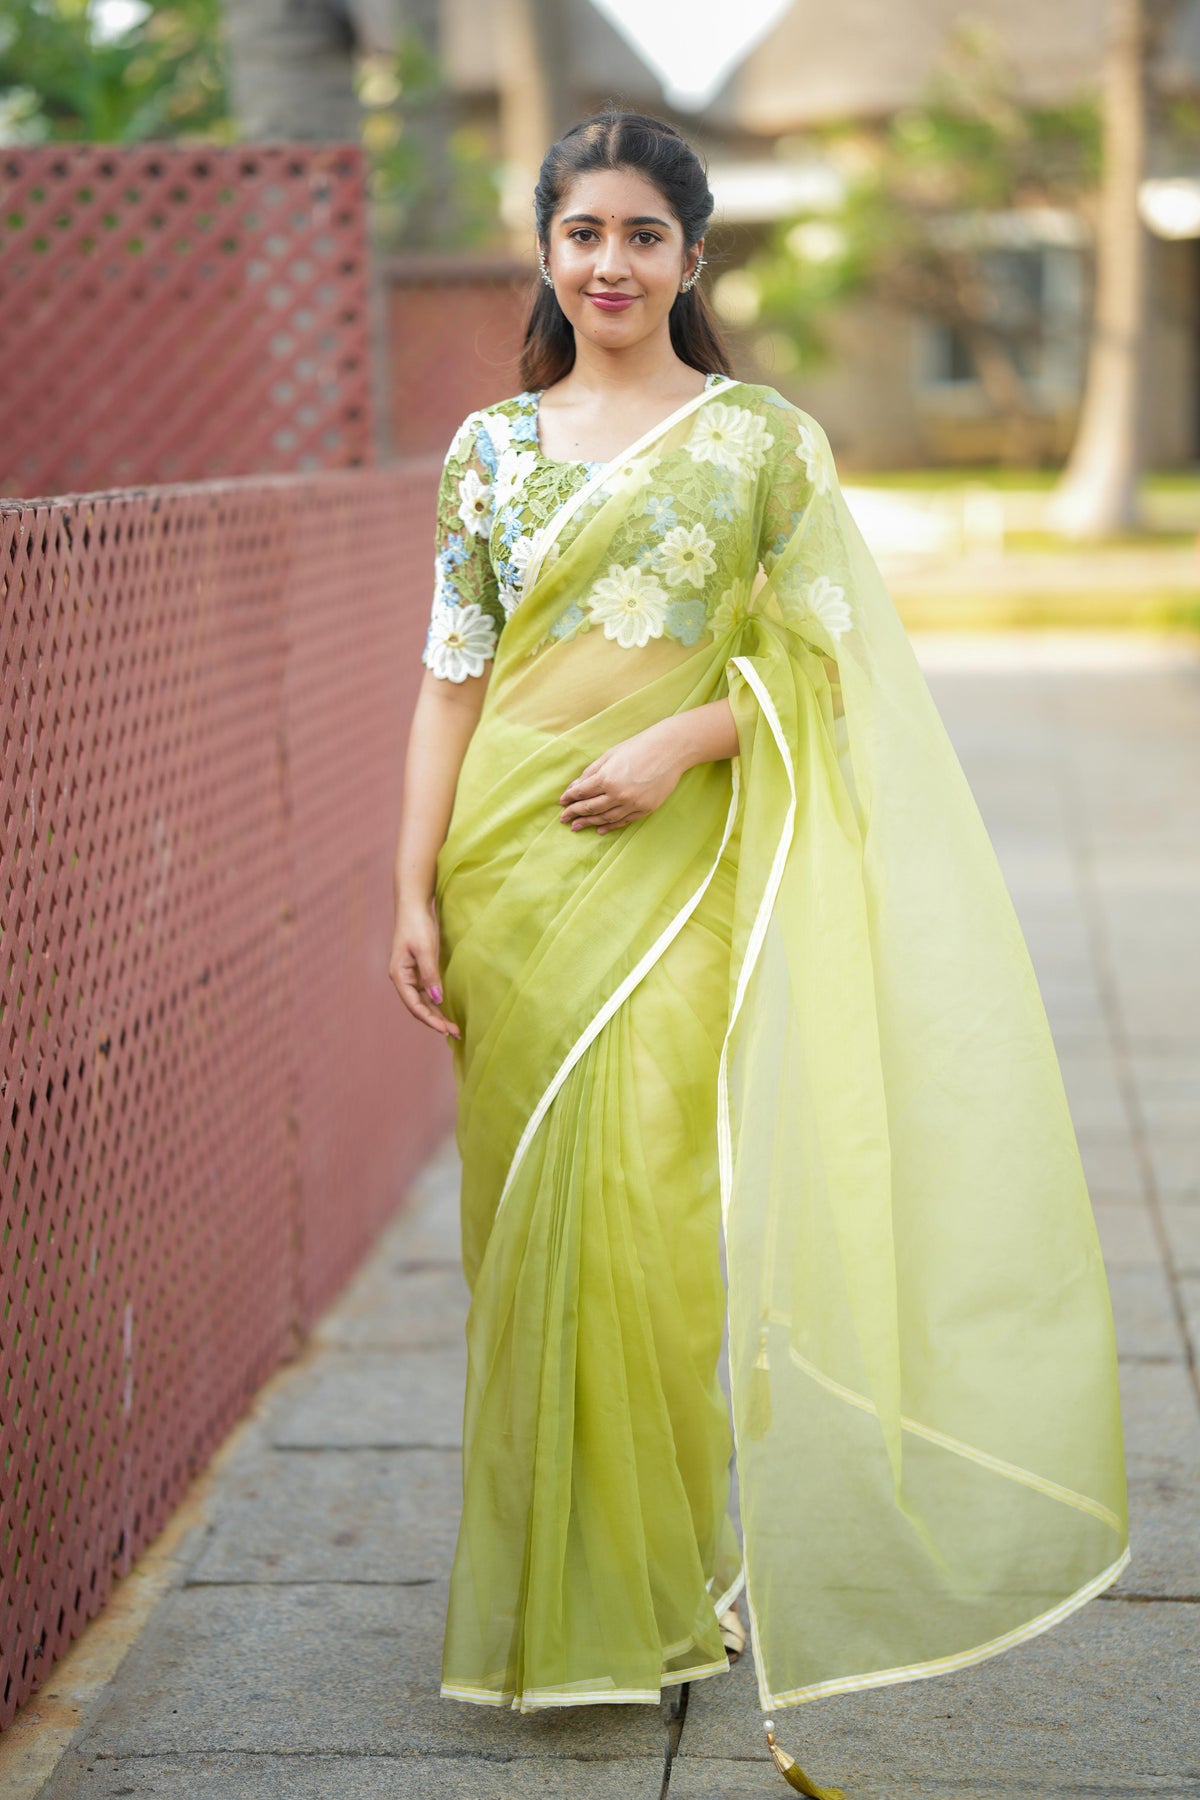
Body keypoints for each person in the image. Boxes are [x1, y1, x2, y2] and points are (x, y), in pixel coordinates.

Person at [389, 108, 1130, 1797]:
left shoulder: (762, 444)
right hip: (509, 871)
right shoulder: (489, 451)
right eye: (583, 232)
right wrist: (409, 887)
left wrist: (683, 742)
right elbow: (448, 677)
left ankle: (653, 1585)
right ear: (545, 252)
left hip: (672, 871)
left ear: (693, 257)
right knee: (527, 1225)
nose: (610, 263)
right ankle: (557, 1594)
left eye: (643, 234)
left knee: (651, 1216)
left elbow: (835, 669)